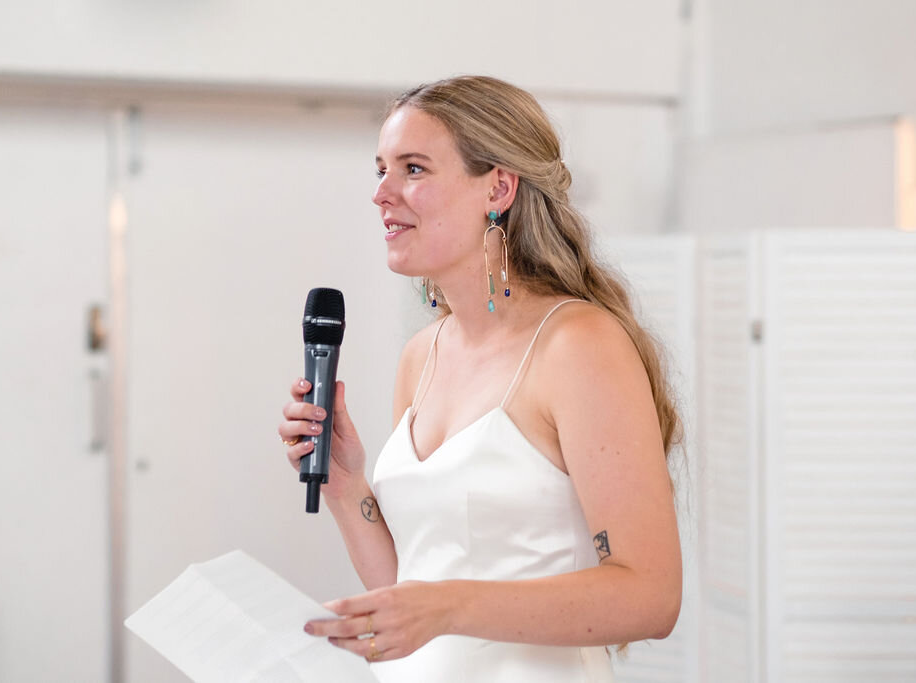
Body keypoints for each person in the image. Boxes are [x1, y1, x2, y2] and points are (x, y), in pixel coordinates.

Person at [278, 75, 682, 682]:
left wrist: (449, 604)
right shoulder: (422, 355)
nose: (382, 193)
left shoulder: (578, 346)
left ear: (498, 186)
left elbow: (651, 597)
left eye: (413, 169)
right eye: (380, 169)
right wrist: (346, 487)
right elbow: (408, 589)